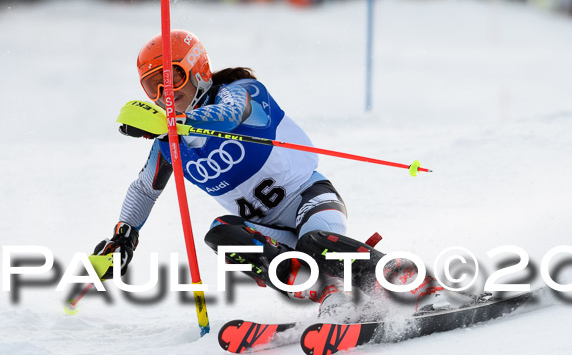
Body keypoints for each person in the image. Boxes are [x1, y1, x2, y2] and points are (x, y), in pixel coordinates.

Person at [94, 29, 442, 318]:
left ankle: (406, 282)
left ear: (198, 70)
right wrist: (124, 238)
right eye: (152, 86)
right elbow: (143, 190)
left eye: (172, 79)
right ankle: (330, 296)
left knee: (314, 243)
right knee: (220, 233)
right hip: (270, 230)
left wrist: (180, 123)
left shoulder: (242, 91)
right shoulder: (168, 144)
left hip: (310, 199)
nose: (164, 94)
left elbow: (230, 114)